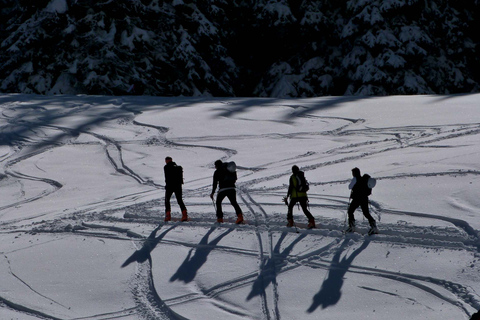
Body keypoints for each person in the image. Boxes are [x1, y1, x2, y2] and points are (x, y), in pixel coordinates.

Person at [210, 160, 244, 224]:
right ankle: (240, 216)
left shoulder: (217, 172)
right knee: (234, 202)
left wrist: (212, 193)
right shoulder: (228, 169)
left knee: (218, 202)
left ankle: (220, 218)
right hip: (231, 188)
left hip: (223, 189)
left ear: (217, 165)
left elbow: (215, 183)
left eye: (215, 166)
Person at [346, 167, 377, 234]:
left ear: (354, 173)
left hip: (357, 198)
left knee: (350, 211)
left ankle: (352, 226)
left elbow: (349, 187)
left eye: (353, 173)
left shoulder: (355, 179)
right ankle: (373, 226)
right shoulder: (364, 179)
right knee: (366, 213)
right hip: (364, 198)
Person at [284, 165, 315, 229]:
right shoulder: (302, 175)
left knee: (290, 207)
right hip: (303, 195)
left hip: (295, 196)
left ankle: (290, 221)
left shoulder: (292, 177)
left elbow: (291, 187)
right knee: (304, 209)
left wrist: (287, 196)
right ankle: (311, 221)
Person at [164, 157, 188, 222]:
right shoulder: (177, 167)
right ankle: (184, 215)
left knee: (167, 200)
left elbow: (167, 177)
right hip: (178, 186)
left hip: (170, 186)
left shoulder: (166, 167)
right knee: (179, 200)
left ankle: (168, 216)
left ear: (166, 161)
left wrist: (167, 185)